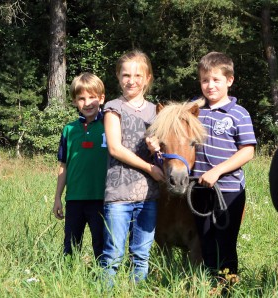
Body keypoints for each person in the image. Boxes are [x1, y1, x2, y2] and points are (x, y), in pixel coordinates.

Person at [191, 52, 257, 283]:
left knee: (225, 242)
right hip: (197, 188)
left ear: (229, 80)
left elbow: (248, 150)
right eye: (205, 80)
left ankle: (228, 287)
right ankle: (210, 286)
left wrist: (217, 171)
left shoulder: (239, 113)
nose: (210, 86)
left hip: (228, 190)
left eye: (216, 80)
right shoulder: (193, 109)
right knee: (205, 240)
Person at [100, 50, 164, 283]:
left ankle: (137, 291)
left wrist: (156, 149)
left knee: (141, 255)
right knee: (113, 255)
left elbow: (163, 154)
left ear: (148, 78)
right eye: (126, 74)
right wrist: (149, 168)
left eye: (138, 75)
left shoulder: (157, 112)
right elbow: (115, 148)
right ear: (118, 76)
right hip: (119, 195)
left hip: (149, 195)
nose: (131, 80)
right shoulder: (112, 107)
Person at [53, 72, 107, 261]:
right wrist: (57, 197)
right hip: (75, 198)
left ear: (101, 98)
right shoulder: (69, 129)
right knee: (70, 245)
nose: (88, 103)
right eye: (81, 98)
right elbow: (63, 166)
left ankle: (103, 280)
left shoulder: (109, 125)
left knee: (101, 245)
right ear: (75, 101)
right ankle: (67, 279)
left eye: (93, 97)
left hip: (101, 198)